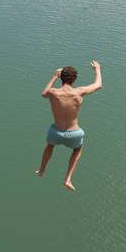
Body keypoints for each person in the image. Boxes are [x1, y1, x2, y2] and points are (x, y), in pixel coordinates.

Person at [36, 60, 102, 191]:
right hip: (74, 133)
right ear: (75, 79)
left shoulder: (53, 92)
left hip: (56, 132)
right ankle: (68, 179)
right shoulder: (78, 92)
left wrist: (54, 76)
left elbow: (44, 93)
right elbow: (98, 85)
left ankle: (42, 170)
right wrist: (98, 69)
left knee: (50, 146)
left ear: (61, 77)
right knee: (77, 149)